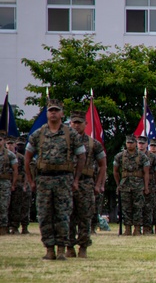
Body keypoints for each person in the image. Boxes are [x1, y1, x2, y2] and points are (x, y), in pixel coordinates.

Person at [24, 100, 86, 260]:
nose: (53, 113)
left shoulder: (70, 134)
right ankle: (49, 249)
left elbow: (81, 156)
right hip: (43, 179)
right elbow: (27, 156)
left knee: (63, 215)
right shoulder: (38, 134)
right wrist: (31, 180)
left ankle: (61, 249)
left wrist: (76, 179)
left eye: (56, 110)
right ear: (47, 113)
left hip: (64, 179)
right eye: (50, 110)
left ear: (61, 114)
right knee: (45, 215)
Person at [68, 111, 106, 257]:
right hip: (68, 182)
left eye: (79, 123)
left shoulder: (93, 143)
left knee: (85, 216)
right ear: (70, 124)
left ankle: (83, 246)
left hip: (86, 183)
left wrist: (98, 184)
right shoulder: (65, 142)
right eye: (74, 123)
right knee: (68, 216)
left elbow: (103, 165)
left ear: (85, 124)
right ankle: (69, 246)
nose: (76, 126)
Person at [113, 135, 149, 236]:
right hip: (125, 185)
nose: (129, 145)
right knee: (126, 208)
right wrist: (118, 184)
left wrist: (146, 187)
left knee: (138, 207)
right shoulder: (120, 156)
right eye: (128, 143)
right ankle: (127, 228)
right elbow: (115, 171)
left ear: (135, 143)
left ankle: (137, 229)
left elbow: (146, 172)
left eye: (131, 143)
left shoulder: (142, 156)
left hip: (138, 185)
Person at [136, 135, 156, 235]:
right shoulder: (131, 155)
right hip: (135, 184)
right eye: (139, 143)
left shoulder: (152, 157)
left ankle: (147, 228)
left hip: (149, 185)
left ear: (146, 144)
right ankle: (136, 228)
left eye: (143, 143)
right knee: (136, 207)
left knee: (148, 207)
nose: (141, 145)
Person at [0, 134, 19, 235]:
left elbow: (15, 170)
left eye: (0, 140)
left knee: (3, 205)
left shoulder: (10, 154)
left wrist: (13, 184)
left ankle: (3, 227)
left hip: (4, 182)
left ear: (3, 141)